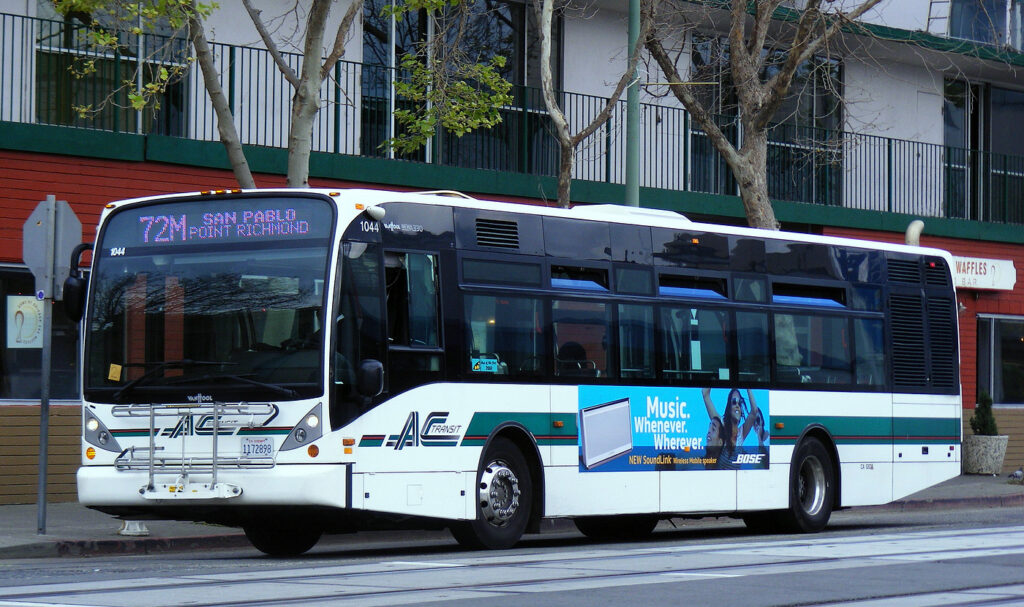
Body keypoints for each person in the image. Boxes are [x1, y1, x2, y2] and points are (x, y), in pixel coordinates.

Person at [703, 387, 764, 470]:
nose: (737, 406)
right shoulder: (722, 426)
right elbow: (706, 395)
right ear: (729, 408)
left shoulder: (741, 433)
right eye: (734, 402)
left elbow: (754, 411)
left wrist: (748, 387)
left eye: (739, 403)